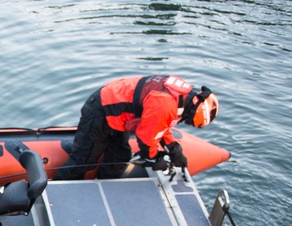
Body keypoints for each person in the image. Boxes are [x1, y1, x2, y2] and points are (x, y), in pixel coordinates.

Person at [55, 76, 219, 180]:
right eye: (189, 121)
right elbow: (147, 137)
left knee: (119, 157)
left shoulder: (181, 97)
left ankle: (103, 187)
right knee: (83, 161)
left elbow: (161, 124)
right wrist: (155, 159)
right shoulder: (165, 102)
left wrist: (174, 149)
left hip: (120, 117)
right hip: (103, 110)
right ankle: (54, 196)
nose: (185, 122)